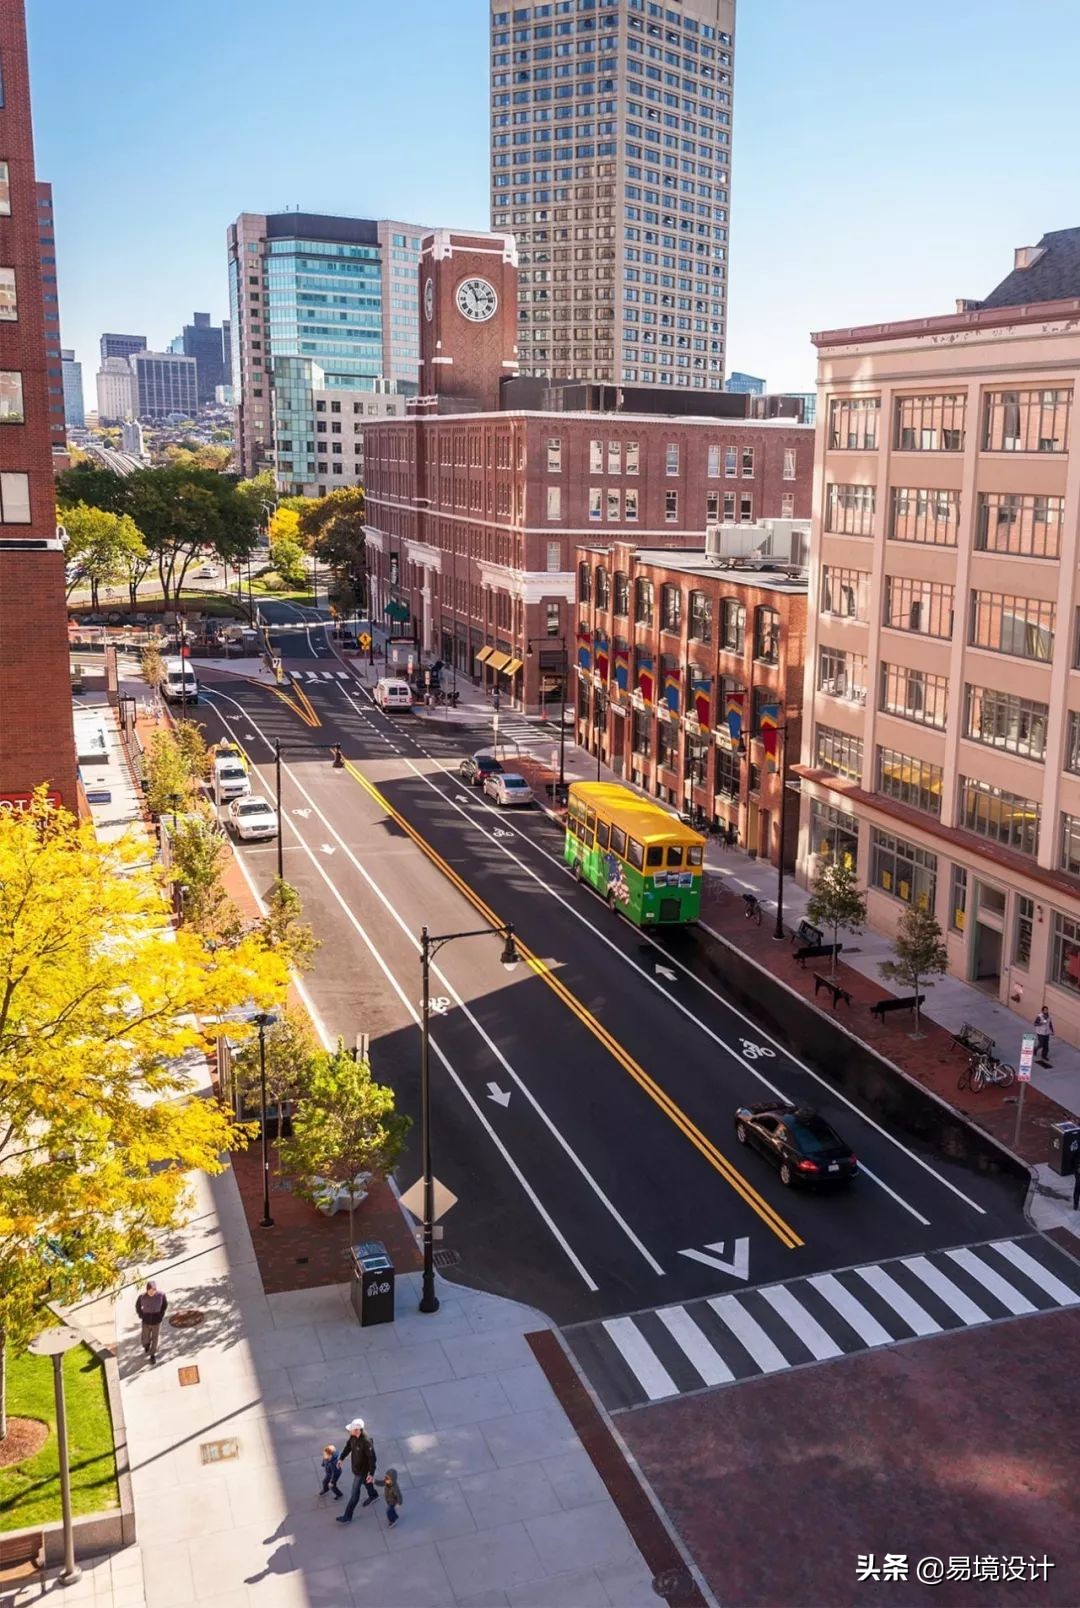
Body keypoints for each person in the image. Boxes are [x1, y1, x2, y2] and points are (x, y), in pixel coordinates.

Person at [335, 1418, 378, 1522]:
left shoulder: (366, 1442)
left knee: (354, 1494)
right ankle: (374, 1495)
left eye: (351, 1429)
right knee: (367, 1482)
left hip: (361, 1471)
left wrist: (371, 1474)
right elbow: (348, 1447)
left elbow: (372, 1459)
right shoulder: (353, 1437)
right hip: (356, 1468)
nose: (349, 1431)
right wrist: (341, 1458)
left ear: (357, 1430)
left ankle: (347, 1516)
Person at [135, 1280, 167, 1364]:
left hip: (156, 1321)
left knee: (155, 1338)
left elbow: (165, 1305)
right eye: (150, 1290)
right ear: (147, 1290)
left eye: (154, 1290)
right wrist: (141, 1315)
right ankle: (146, 1345)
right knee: (145, 1336)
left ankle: (152, 1354)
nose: (152, 1292)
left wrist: (161, 1315)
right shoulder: (142, 1297)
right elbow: (138, 1307)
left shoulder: (161, 1295)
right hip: (146, 1320)